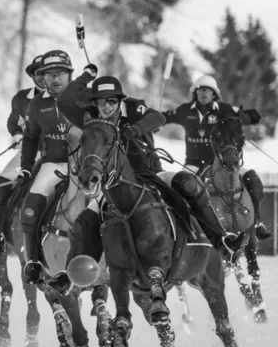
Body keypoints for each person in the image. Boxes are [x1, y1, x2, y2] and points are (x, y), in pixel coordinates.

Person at [48, 76, 244, 296]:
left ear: (119, 99)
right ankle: (68, 275)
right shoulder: (92, 118)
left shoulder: (132, 107)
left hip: (152, 174)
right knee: (83, 222)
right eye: (101, 102)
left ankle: (222, 240)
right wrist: (85, 77)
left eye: (111, 100)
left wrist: (133, 130)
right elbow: (64, 103)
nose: (107, 106)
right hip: (115, 186)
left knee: (189, 184)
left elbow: (158, 117)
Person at [20, 50, 98, 285]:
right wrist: (25, 167)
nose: (54, 80)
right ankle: (33, 260)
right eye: (49, 75)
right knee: (31, 205)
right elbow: (31, 137)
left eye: (59, 74)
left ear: (70, 75)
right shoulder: (37, 104)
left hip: (88, 165)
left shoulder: (86, 98)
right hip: (55, 164)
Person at [162, 74, 271, 240]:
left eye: (208, 90)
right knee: (180, 188)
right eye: (201, 90)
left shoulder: (223, 109)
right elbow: (166, 117)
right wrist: (156, 120)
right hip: (194, 164)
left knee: (252, 178)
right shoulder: (185, 110)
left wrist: (242, 117)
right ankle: (184, 229)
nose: (204, 93)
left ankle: (257, 223)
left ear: (214, 94)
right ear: (195, 93)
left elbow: (253, 116)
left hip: (222, 163)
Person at [0, 55, 46, 248]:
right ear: (32, 76)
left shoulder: (64, 99)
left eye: (46, 73)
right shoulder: (22, 98)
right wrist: (18, 136)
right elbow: (12, 123)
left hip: (58, 154)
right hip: (27, 152)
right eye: (37, 73)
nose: (42, 77)